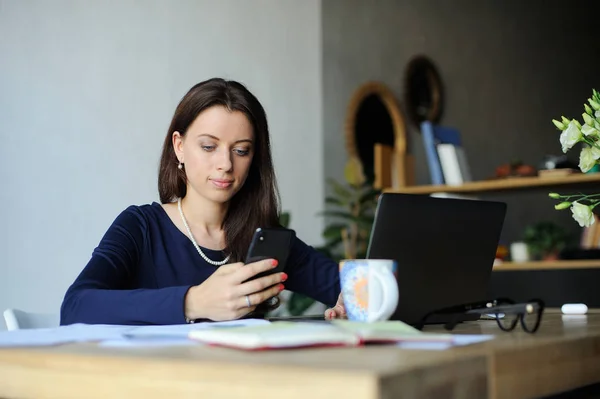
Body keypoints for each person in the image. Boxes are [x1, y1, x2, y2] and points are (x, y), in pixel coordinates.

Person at [60, 78, 347, 325]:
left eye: (241, 150)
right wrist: (192, 301)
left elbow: (350, 290)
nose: (225, 163)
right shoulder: (141, 227)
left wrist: (353, 302)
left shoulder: (263, 240)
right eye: (209, 146)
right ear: (179, 147)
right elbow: (75, 308)